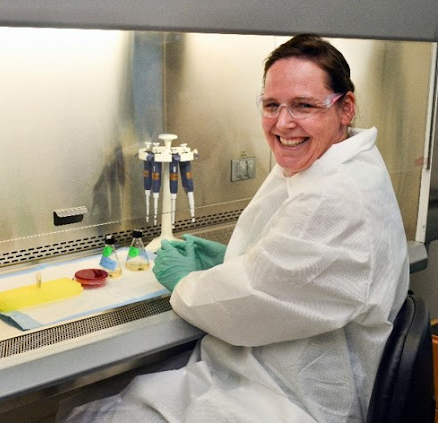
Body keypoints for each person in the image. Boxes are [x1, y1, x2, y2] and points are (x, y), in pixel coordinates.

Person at [61, 34, 409, 422]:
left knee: (90, 413)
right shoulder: (334, 163)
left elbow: (250, 305)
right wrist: (233, 259)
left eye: (304, 106)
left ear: (345, 107)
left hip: (293, 398)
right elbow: (288, 270)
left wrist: (184, 281)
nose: (282, 122)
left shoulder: (335, 196)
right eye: (271, 105)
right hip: (271, 370)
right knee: (100, 402)